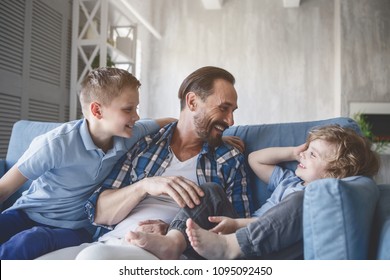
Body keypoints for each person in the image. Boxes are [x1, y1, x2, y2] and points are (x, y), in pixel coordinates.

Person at [126, 124, 380, 259]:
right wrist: (294, 151)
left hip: (263, 250)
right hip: (234, 233)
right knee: (211, 190)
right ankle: (174, 242)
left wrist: (237, 225)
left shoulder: (316, 199)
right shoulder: (288, 181)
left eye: (311, 154)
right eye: (306, 149)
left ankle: (228, 248)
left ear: (335, 172)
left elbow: (279, 227)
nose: (302, 154)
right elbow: (256, 160)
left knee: (304, 200)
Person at [0, 67, 174, 259]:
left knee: (29, 240)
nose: (137, 116)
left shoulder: (130, 134)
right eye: (128, 109)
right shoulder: (56, 144)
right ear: (97, 110)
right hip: (27, 213)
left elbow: (170, 123)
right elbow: (4, 188)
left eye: (136, 108)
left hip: (75, 229)